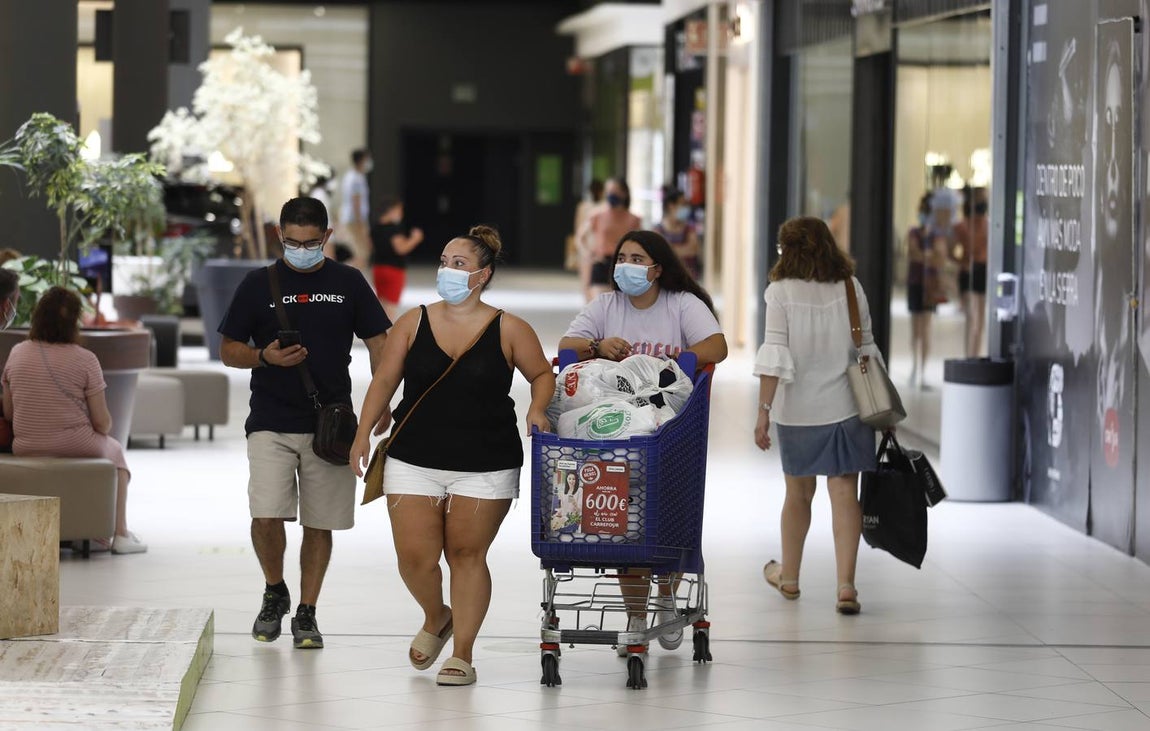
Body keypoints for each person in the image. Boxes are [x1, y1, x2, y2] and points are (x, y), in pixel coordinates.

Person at [349, 224, 553, 687]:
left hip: (486, 461)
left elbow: (542, 373)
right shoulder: (412, 320)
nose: (447, 270)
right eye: (444, 262)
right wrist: (363, 432)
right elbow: (384, 381)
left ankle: (462, 652)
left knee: (466, 554)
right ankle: (437, 615)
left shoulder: (510, 328)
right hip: (413, 454)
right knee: (415, 559)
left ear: (482, 275)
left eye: (458, 264)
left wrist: (538, 408)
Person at [219, 197, 391, 650]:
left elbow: (379, 342)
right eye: (292, 241)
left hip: (330, 423)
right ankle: (275, 590)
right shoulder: (258, 284)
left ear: (327, 237)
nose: (300, 249)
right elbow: (228, 348)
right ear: (280, 234)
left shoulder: (348, 282)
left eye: (310, 242)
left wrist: (383, 399)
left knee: (320, 523)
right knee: (266, 514)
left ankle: (307, 611)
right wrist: (263, 356)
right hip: (270, 419)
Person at [558, 229, 727, 652]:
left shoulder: (681, 305)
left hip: (670, 432)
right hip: (615, 432)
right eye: (622, 257)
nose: (627, 266)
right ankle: (636, 615)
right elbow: (566, 346)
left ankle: (666, 597)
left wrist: (677, 362)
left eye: (637, 259)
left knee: (664, 516)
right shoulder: (606, 305)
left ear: (657, 268)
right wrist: (597, 345)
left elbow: (717, 346)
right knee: (622, 525)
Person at [754, 217, 881, 615]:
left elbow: (774, 356)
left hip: (799, 413)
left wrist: (763, 411)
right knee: (845, 494)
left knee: (798, 495)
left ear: (787, 250)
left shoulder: (780, 292)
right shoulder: (850, 286)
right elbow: (868, 349)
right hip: (848, 407)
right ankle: (846, 586)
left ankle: (789, 577)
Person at [1, 286, 146, 554]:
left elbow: (9, 413)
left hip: (27, 444)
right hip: (76, 443)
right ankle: (120, 533)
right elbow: (102, 424)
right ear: (74, 322)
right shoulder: (86, 360)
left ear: (38, 316)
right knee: (116, 455)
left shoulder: (17, 353)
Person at [577, 178, 641, 301]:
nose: (611, 195)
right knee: (601, 304)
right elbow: (581, 237)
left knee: (620, 306)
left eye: (614, 191)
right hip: (602, 263)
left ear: (624, 193)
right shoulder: (597, 215)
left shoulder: (633, 219)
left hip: (624, 266)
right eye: (609, 191)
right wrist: (588, 254)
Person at [370, 197, 424, 320]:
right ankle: (389, 335)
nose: (401, 214)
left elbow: (371, 247)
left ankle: (380, 332)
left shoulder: (375, 228)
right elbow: (401, 248)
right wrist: (415, 239)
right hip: (394, 270)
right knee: (391, 306)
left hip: (378, 268)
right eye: (399, 210)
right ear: (391, 210)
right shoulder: (394, 229)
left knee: (382, 303)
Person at [906, 192, 940, 389]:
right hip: (916, 282)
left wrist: (925, 254)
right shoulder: (914, 232)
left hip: (929, 284)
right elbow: (914, 254)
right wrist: (928, 254)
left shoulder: (935, 235)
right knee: (916, 329)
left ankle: (923, 371)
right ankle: (914, 366)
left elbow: (939, 257)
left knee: (926, 328)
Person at [954, 186, 989, 357]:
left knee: (976, 319)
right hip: (973, 270)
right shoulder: (964, 226)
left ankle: (972, 354)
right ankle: (971, 356)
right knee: (974, 319)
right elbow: (950, 248)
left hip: (979, 269)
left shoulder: (985, 224)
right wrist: (963, 261)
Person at [653, 185, 701, 280]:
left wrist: (669, 250)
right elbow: (658, 254)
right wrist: (683, 249)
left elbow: (693, 250)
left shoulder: (689, 228)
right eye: (683, 204)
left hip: (688, 280)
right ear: (671, 205)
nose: (686, 208)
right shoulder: (658, 230)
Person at [338, 148, 373, 268]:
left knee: (359, 251)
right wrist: (359, 220)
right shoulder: (356, 178)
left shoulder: (350, 176)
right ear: (362, 160)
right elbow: (356, 200)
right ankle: (345, 275)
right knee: (362, 252)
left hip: (351, 218)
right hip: (355, 219)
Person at [570, 179, 605, 296]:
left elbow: (578, 229)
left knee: (586, 283)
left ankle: (589, 309)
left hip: (586, 247)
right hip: (598, 248)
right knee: (595, 283)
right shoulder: (604, 207)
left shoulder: (583, 206)